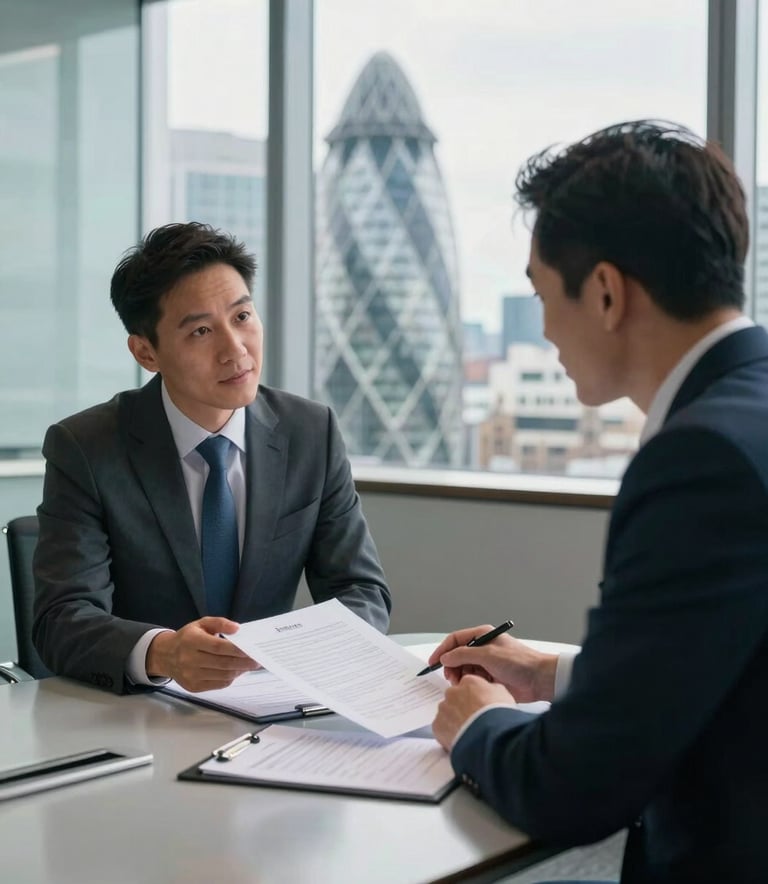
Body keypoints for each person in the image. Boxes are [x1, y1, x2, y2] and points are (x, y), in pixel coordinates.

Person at [430, 121, 768, 884]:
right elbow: (732, 660)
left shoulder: (699, 459)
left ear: (607, 292)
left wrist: (478, 725)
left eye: (541, 292)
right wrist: (552, 675)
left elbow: (575, 787)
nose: (544, 327)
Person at [33, 222, 391, 695]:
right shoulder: (86, 447)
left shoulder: (310, 432)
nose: (235, 349)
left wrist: (295, 651)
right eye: (201, 330)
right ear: (146, 352)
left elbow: (362, 592)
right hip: (142, 713)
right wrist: (164, 653)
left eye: (242, 317)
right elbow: (61, 619)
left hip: (271, 710)